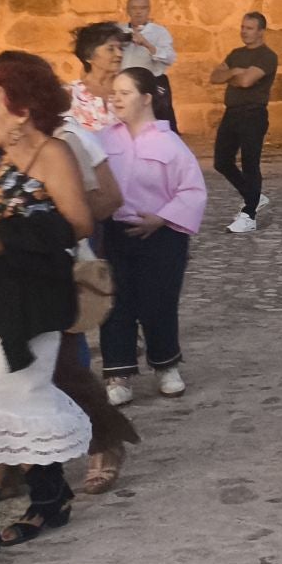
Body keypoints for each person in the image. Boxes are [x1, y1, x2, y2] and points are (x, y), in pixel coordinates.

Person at [0, 52, 95, 563]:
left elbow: (79, 223)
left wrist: (6, 239)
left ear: (22, 111)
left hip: (37, 301)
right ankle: (51, 498)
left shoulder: (54, 154)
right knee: (13, 404)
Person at [99, 67, 207, 407]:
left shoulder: (170, 144)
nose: (116, 99)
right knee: (115, 304)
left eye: (125, 93)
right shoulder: (103, 140)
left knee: (158, 301)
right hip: (115, 233)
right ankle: (118, 373)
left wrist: (161, 218)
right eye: (114, 93)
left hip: (161, 236)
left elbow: (192, 191)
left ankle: (166, 365)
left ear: (146, 98)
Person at [209, 11, 278, 233]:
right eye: (242, 27)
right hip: (232, 113)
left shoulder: (267, 56)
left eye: (249, 28)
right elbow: (214, 77)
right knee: (221, 161)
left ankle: (249, 215)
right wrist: (235, 72)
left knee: (250, 163)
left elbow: (247, 81)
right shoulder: (235, 54)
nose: (244, 32)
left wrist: (231, 76)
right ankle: (254, 196)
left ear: (261, 31)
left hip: (253, 114)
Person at [120, 0, 179, 131]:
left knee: (159, 125)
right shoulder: (119, 31)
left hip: (153, 84)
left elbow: (170, 58)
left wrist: (147, 45)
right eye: (134, 8)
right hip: (125, 86)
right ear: (127, 10)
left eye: (143, 8)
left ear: (149, 10)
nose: (138, 12)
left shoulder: (160, 32)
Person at [69, 21, 126, 134]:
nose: (119, 54)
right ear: (89, 56)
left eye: (121, 48)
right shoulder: (72, 94)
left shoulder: (131, 89)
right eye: (111, 49)